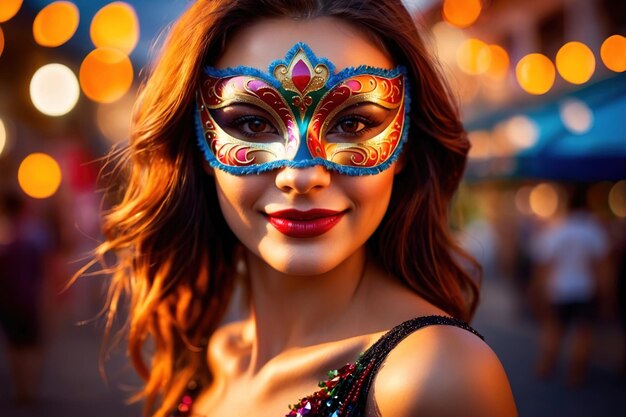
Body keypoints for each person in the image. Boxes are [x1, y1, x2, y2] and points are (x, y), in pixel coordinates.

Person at [90, 1, 517, 416]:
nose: (300, 174)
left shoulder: (436, 378)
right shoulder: (212, 357)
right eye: (253, 123)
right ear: (200, 142)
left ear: (405, 140)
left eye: (352, 123)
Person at [531, 185, 609, 386]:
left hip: (559, 288)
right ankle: (575, 373)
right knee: (582, 333)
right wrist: (607, 293)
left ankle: (546, 365)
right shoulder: (593, 229)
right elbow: (602, 266)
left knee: (554, 328)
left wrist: (540, 291)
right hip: (585, 288)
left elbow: (544, 264)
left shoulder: (558, 228)